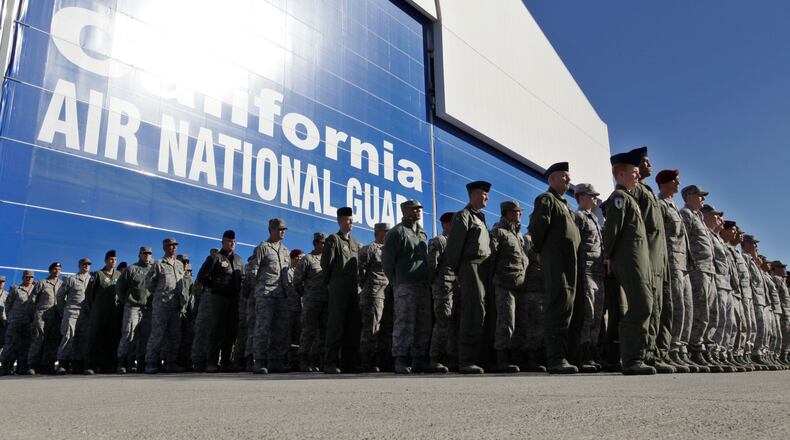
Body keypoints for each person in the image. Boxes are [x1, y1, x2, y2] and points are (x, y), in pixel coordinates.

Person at [602, 151, 656, 375]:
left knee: (646, 303)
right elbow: (612, 231)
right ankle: (631, 358)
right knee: (641, 304)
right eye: (634, 172)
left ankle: (636, 357)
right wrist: (608, 257)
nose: (637, 176)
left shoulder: (630, 199)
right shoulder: (620, 198)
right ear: (621, 174)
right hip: (628, 259)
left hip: (638, 260)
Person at [527, 163, 581, 374]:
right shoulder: (546, 199)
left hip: (569, 263)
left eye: (569, 177)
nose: (569, 180)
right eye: (564, 176)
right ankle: (555, 358)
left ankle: (565, 355)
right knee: (558, 306)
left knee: (567, 307)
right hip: (556, 261)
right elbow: (537, 228)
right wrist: (541, 252)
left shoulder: (565, 204)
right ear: (552, 180)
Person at [630, 147, 675, 374]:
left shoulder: (646, 190)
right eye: (647, 162)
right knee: (652, 307)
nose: (651, 165)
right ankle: (646, 353)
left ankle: (659, 352)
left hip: (662, 258)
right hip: (648, 258)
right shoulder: (634, 191)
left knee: (665, 307)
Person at [444, 181, 493, 374]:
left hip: (482, 268)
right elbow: (454, 247)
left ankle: (480, 357)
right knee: (472, 312)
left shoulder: (480, 218)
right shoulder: (463, 216)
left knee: (481, 312)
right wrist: (459, 272)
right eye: (483, 193)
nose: (487, 197)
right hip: (470, 267)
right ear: (473, 194)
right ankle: (466, 359)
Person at [655, 170, 700, 372]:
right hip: (671, 261)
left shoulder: (673, 205)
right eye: (675, 180)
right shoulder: (660, 204)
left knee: (687, 308)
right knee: (676, 306)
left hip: (684, 264)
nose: (678, 183)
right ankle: (671, 349)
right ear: (665, 183)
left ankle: (681, 349)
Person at [383, 200, 434, 374]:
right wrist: (396, 281)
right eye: (414, 208)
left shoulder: (422, 233)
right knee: (404, 322)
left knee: (422, 323)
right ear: (404, 211)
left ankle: (419, 359)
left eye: (420, 208)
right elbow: (387, 262)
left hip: (422, 284)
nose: (418, 211)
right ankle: (400, 359)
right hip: (405, 284)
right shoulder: (397, 232)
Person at [679, 185, 720, 372]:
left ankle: (702, 348)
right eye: (699, 196)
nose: (702, 199)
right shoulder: (685, 214)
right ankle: (693, 348)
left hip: (708, 270)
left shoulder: (698, 218)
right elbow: (684, 240)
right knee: (699, 311)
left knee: (709, 313)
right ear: (688, 197)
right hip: (698, 269)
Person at [489, 200, 529, 373]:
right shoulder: (499, 232)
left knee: (521, 323)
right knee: (506, 322)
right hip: (504, 284)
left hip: (520, 285)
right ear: (507, 213)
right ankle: (502, 359)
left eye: (520, 212)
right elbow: (490, 258)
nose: (520, 214)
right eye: (516, 212)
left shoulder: (518, 236)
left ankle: (519, 357)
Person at [322, 207, 362, 374]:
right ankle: (330, 363)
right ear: (339, 221)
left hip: (353, 290)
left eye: (352, 220)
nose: (351, 222)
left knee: (352, 326)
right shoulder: (333, 239)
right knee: (335, 326)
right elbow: (326, 264)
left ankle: (349, 363)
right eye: (347, 220)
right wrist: (331, 285)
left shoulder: (354, 243)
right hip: (338, 290)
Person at [197, 230, 243, 372]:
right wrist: (216, 287)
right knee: (217, 330)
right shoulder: (215, 257)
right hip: (219, 298)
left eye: (234, 241)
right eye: (229, 241)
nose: (232, 244)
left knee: (231, 331)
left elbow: (242, 278)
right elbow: (202, 276)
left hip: (234, 299)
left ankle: (226, 362)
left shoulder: (239, 260)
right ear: (223, 242)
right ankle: (211, 362)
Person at [572, 184, 606, 372]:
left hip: (598, 271)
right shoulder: (578, 217)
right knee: (588, 314)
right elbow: (575, 246)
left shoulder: (593, 217)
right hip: (586, 271)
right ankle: (583, 354)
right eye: (592, 196)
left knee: (597, 315)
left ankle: (593, 351)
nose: (595, 199)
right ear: (582, 197)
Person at [250, 220, 291, 374]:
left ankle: (276, 361)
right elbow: (253, 271)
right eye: (279, 229)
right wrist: (256, 291)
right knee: (263, 328)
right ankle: (259, 361)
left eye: (283, 229)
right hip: (265, 294)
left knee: (279, 329)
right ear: (271, 230)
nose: (282, 232)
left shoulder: (285, 250)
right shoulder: (263, 248)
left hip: (281, 294)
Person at [701, 204, 736, 372]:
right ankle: (709, 352)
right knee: (714, 318)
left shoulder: (717, 239)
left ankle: (720, 353)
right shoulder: (704, 232)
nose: (719, 219)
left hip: (725, 284)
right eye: (716, 216)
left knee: (726, 322)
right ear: (706, 216)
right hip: (714, 280)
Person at [144, 238, 186, 374]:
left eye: (175, 245)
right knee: (157, 334)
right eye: (170, 245)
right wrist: (160, 293)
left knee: (174, 336)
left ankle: (171, 363)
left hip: (175, 305)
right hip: (161, 305)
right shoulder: (158, 264)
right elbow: (149, 284)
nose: (173, 247)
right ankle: (151, 363)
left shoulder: (179, 265)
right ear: (165, 247)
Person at [358, 223, 390, 372]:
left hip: (387, 294)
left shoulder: (390, 249)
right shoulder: (369, 249)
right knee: (371, 328)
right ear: (379, 232)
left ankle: (382, 360)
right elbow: (360, 272)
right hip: (373, 293)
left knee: (384, 329)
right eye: (386, 231)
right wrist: (367, 286)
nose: (388, 234)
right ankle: (367, 361)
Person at [428, 212, 458, 372]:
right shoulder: (439, 241)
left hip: (454, 286)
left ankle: (451, 357)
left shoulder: (455, 242)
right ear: (445, 224)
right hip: (442, 287)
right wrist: (436, 283)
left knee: (452, 322)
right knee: (443, 321)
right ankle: (435, 358)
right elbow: (432, 265)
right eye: (452, 223)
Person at [116, 246, 153, 374]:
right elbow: (120, 286)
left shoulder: (153, 270)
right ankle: (123, 362)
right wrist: (126, 301)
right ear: (140, 255)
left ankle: (141, 363)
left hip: (147, 308)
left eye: (149, 253)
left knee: (145, 336)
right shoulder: (132, 269)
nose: (147, 255)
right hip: (133, 306)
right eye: (145, 253)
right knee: (129, 334)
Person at [295, 233, 328, 372]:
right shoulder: (307, 259)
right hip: (311, 301)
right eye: (322, 243)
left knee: (322, 333)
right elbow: (297, 281)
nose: (325, 246)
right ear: (316, 243)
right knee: (308, 331)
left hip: (325, 301)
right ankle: (303, 359)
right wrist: (306, 294)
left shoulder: (328, 260)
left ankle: (318, 361)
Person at [85, 250, 121, 374]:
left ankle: (108, 366)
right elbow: (89, 294)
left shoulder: (119, 274)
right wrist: (94, 308)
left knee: (112, 338)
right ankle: (91, 365)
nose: (113, 262)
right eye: (111, 259)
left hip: (113, 313)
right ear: (105, 260)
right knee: (95, 337)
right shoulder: (97, 274)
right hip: (99, 313)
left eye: (115, 260)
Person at [56, 258, 93, 374]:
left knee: (83, 338)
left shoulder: (92, 279)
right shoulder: (71, 279)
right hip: (72, 312)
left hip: (86, 314)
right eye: (84, 264)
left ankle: (78, 365)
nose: (86, 266)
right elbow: (60, 297)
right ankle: (63, 364)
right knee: (68, 336)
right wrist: (65, 311)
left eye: (88, 264)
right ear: (79, 265)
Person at [0, 270, 37, 375]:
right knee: (11, 344)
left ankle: (22, 368)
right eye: (27, 277)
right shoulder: (16, 289)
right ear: (23, 278)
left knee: (25, 346)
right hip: (15, 322)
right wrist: (10, 318)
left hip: (28, 322)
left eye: (30, 277)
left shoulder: (35, 290)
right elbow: (8, 305)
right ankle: (6, 367)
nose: (29, 279)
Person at [29, 262, 62, 374]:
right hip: (42, 316)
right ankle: (33, 365)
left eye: (59, 269)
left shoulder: (62, 284)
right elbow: (32, 299)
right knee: (38, 339)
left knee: (52, 341)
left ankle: (48, 365)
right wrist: (35, 313)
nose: (57, 271)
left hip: (56, 316)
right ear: (50, 270)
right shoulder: (42, 283)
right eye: (55, 269)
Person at [286, 249, 304, 371]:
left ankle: (294, 360)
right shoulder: (287, 271)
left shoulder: (299, 272)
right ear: (293, 258)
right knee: (287, 335)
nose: (300, 260)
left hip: (298, 308)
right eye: (299, 257)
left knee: (296, 336)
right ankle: (286, 360)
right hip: (288, 308)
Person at [177, 254, 195, 370]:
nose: (185, 264)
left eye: (186, 262)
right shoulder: (175, 277)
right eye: (183, 262)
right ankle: (174, 362)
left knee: (188, 338)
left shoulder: (190, 280)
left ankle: (186, 361)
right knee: (175, 338)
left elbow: (192, 297)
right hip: (175, 311)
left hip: (187, 314)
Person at [0, 276, 8, 356]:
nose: (1, 283)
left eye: (2, 282)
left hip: (3, 323)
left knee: (2, 343)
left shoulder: (7, 295)